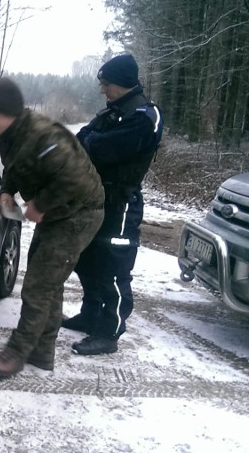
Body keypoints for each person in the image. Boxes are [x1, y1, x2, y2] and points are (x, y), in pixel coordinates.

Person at [0, 77, 105, 378]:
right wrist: (6, 191)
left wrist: (40, 205)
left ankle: (16, 353)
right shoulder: (11, 135)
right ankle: (42, 351)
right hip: (60, 213)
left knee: (38, 285)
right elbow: (14, 169)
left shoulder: (42, 135)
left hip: (79, 214)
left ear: (8, 112)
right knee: (49, 282)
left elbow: (72, 178)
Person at [64, 54, 163, 355]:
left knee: (113, 268)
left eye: (106, 84)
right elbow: (81, 138)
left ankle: (109, 332)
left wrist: (93, 142)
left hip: (121, 205)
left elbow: (102, 148)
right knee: (88, 261)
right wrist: (92, 141)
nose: (102, 90)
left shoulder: (145, 115)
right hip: (95, 200)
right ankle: (91, 314)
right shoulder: (114, 112)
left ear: (121, 82)